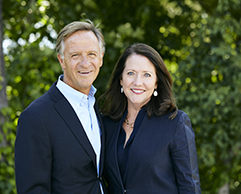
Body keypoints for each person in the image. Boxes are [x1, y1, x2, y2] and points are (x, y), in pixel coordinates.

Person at [15, 20, 107, 194]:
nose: (85, 63)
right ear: (61, 60)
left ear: (101, 58)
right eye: (75, 55)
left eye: (91, 54)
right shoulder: (36, 117)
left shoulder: (97, 107)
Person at [100, 43, 201, 194]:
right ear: (121, 79)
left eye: (146, 74)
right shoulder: (106, 123)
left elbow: (189, 187)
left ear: (156, 83)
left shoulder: (175, 123)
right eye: (131, 73)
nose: (137, 82)